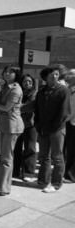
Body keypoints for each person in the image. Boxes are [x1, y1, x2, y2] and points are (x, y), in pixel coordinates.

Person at [35, 65, 71, 193]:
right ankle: (43, 180)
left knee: (57, 156)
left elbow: (64, 113)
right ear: (45, 77)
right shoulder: (42, 91)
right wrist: (37, 125)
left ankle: (56, 183)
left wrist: (54, 127)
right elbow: (37, 109)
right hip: (43, 128)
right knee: (44, 156)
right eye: (51, 74)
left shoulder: (63, 90)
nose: (54, 76)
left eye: (56, 74)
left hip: (57, 129)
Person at [0, 66, 24, 196]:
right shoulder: (5, 87)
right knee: (3, 155)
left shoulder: (16, 89)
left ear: (16, 74)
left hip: (12, 125)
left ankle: (4, 187)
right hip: (5, 124)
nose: (7, 73)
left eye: (10, 72)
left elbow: (6, 107)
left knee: (7, 157)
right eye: (5, 71)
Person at [13, 74, 38, 182]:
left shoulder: (35, 94)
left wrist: (16, 107)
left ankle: (29, 173)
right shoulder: (19, 92)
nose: (27, 84)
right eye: (25, 82)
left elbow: (28, 107)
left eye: (29, 82)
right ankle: (15, 171)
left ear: (32, 84)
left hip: (30, 125)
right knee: (16, 148)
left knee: (30, 149)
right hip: (18, 124)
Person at [64, 69, 75, 182]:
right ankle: (67, 173)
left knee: (72, 149)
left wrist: (63, 119)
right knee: (68, 150)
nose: (67, 77)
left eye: (70, 75)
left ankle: (71, 175)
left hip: (72, 122)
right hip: (68, 122)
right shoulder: (68, 89)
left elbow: (73, 110)